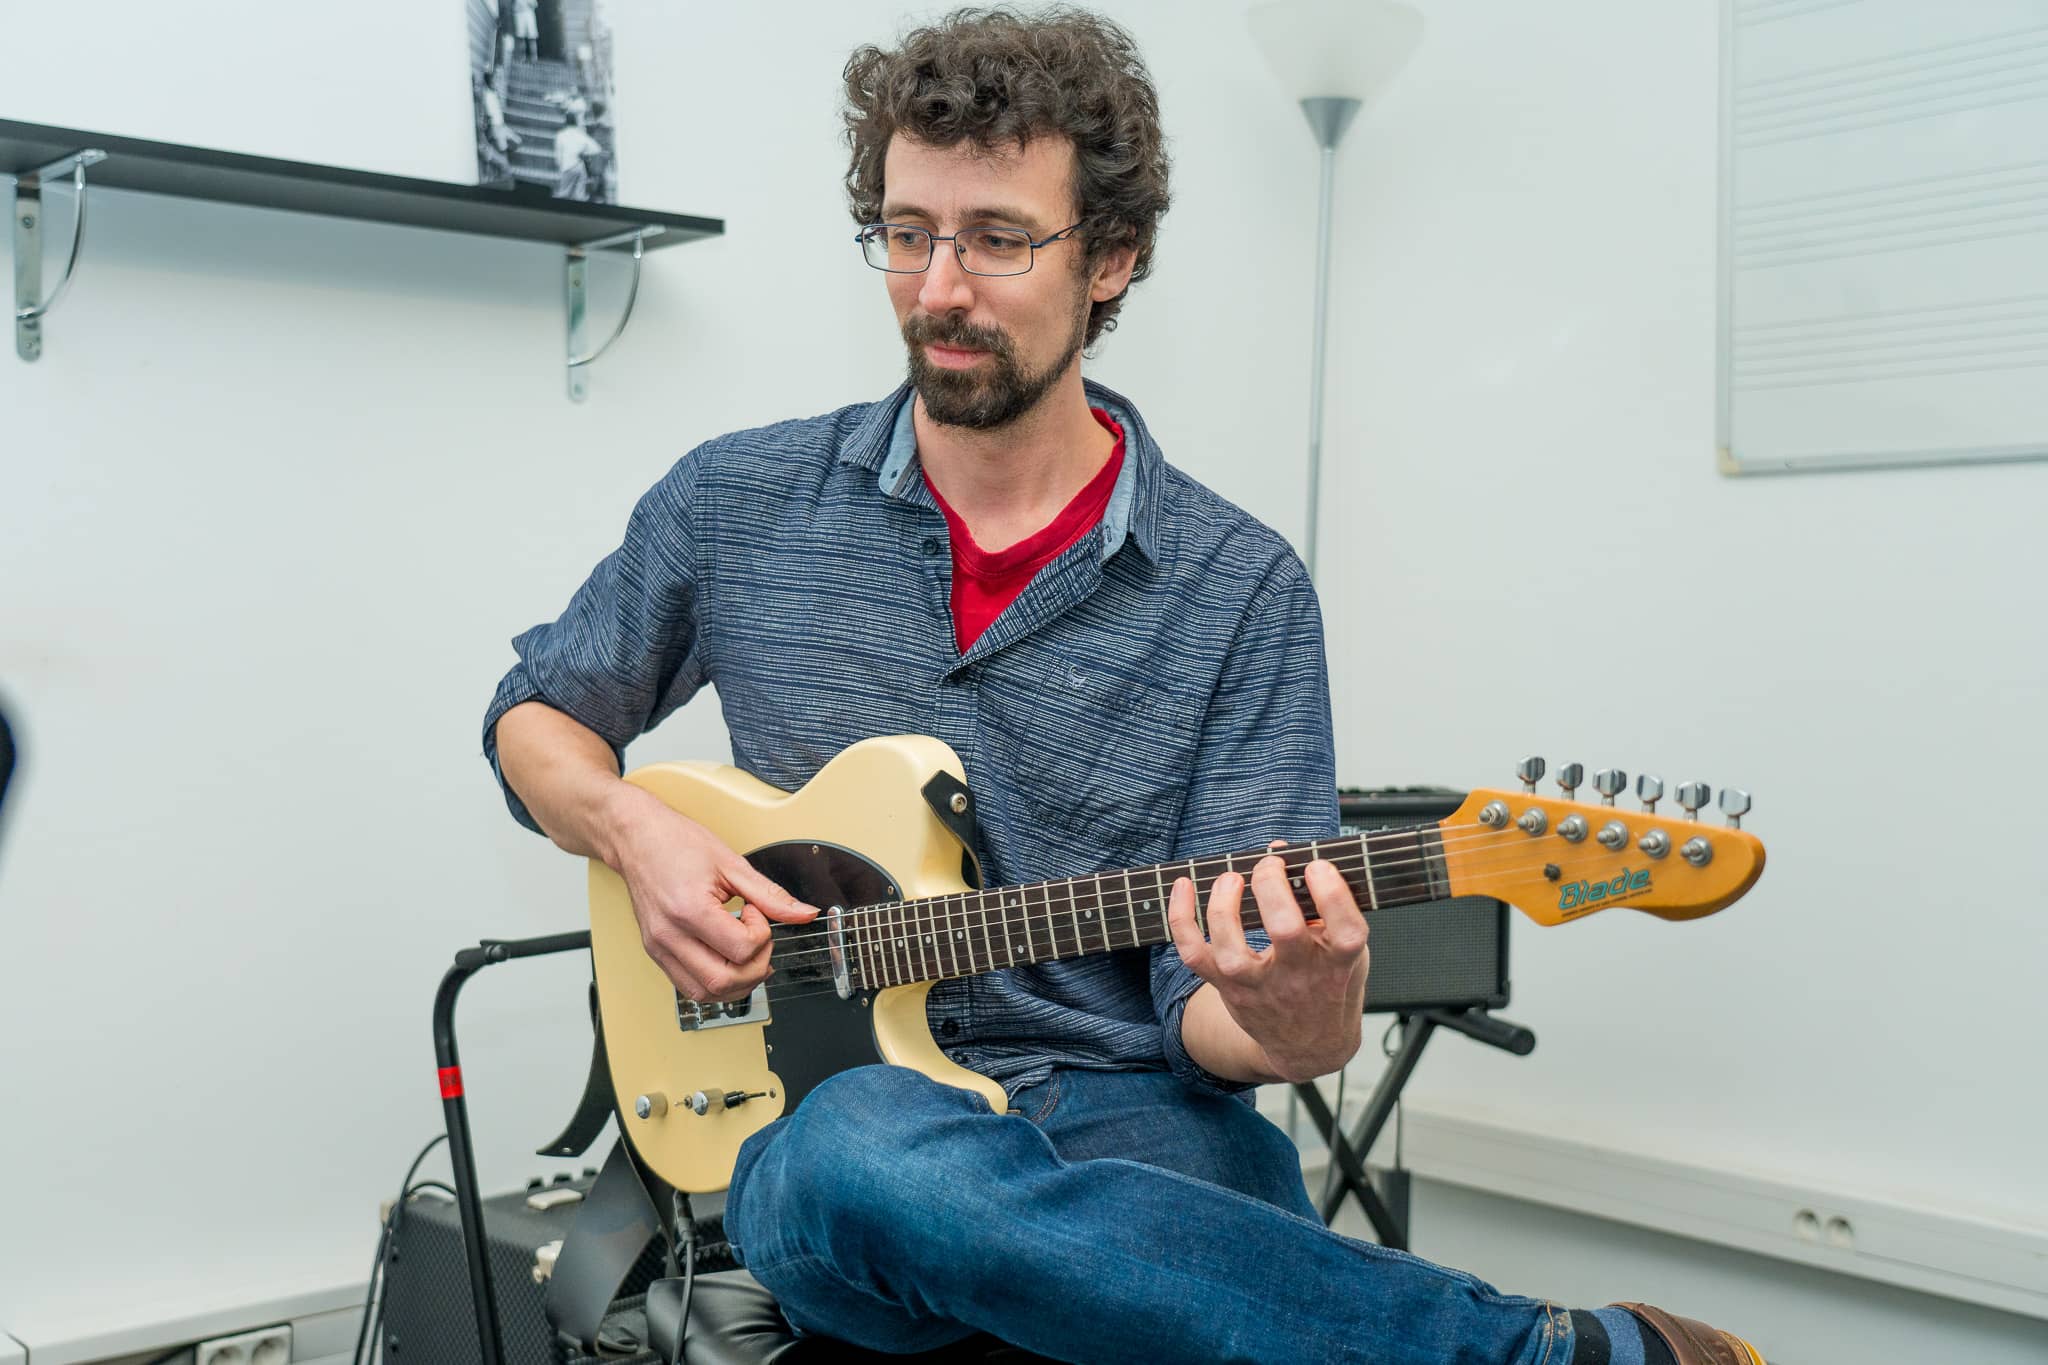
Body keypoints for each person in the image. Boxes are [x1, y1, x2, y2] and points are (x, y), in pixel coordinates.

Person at [482, 9, 1766, 1364]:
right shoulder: (737, 501)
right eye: (908, 231)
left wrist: (1295, 1009)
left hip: (1126, 1108)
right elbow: (536, 713)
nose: (938, 286)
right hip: (829, 1124)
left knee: (1225, 1192)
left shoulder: (1238, 587)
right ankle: (1553, 1355)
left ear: (1114, 254)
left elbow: (1214, 1023)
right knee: (869, 1155)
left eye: (996, 237)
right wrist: (637, 831)